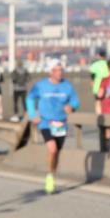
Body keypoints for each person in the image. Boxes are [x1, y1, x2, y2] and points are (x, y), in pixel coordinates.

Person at [26, 59, 80, 193]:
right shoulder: (41, 85)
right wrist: (32, 114)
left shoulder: (67, 86)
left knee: (57, 153)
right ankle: (49, 177)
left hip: (61, 123)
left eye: (61, 70)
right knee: (52, 149)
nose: (59, 73)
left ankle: (52, 173)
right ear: (50, 72)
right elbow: (30, 98)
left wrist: (72, 106)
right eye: (56, 70)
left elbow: (75, 101)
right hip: (45, 122)